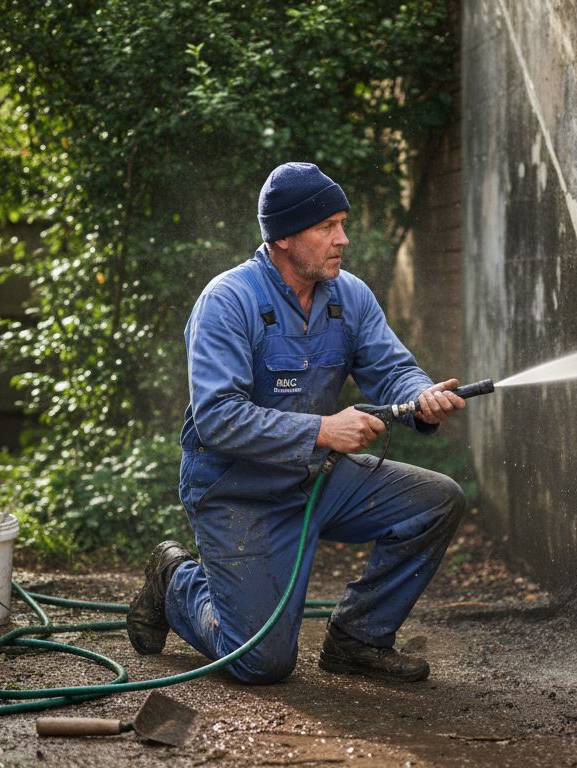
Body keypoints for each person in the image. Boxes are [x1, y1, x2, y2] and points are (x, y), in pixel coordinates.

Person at [126, 162, 467, 684]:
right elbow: (217, 418)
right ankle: (175, 580)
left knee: (436, 500)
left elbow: (391, 368)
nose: (343, 239)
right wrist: (322, 431)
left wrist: (419, 396)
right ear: (284, 236)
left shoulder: (348, 296)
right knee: (261, 663)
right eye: (327, 226)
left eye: (343, 224)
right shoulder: (229, 301)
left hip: (316, 478)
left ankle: (359, 639)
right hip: (237, 491)